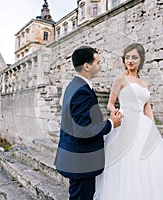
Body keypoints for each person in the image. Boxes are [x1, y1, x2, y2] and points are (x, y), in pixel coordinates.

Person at [94, 43, 163, 199]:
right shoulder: (120, 79)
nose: (130, 61)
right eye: (127, 57)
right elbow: (110, 103)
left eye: (134, 57)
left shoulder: (145, 84)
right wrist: (114, 111)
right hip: (124, 122)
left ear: (141, 60)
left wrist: (152, 127)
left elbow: (147, 108)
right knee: (126, 165)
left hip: (142, 125)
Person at [55, 46, 122, 200]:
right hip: (81, 161)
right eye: (97, 62)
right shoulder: (81, 91)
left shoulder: (75, 86)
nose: (99, 66)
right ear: (86, 65)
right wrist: (111, 123)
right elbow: (82, 130)